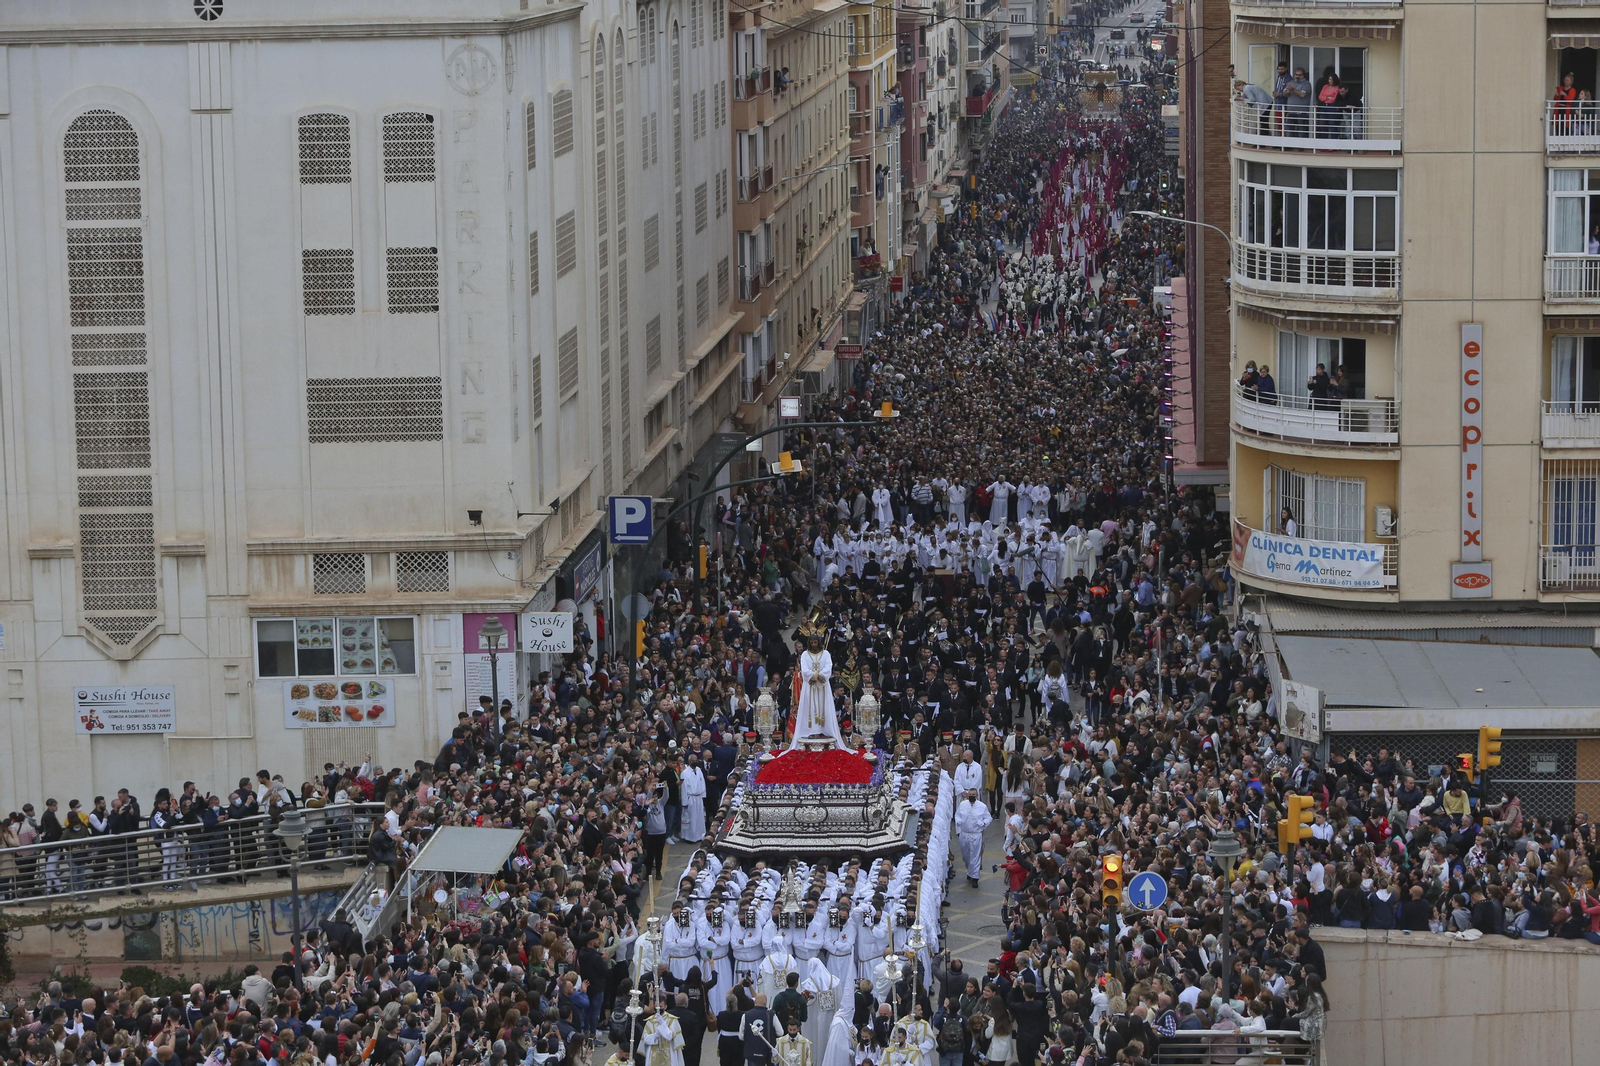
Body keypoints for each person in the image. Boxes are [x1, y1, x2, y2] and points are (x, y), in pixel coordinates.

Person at [792, 625, 845, 749]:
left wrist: (822, 676)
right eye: (812, 642)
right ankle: (810, 731)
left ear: (819, 642)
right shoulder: (805, 654)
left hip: (822, 686)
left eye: (815, 642)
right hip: (810, 686)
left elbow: (828, 666)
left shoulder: (825, 653)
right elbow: (804, 669)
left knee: (823, 707)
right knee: (809, 709)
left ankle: (824, 730)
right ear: (809, 643)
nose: (814, 644)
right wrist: (815, 676)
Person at [955, 789, 992, 886]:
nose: (971, 796)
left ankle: (975, 877)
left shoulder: (982, 807)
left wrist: (983, 823)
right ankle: (970, 871)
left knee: (975, 856)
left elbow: (988, 818)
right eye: (970, 794)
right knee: (966, 855)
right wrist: (958, 821)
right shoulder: (963, 805)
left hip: (976, 834)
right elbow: (957, 815)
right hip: (964, 833)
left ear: (977, 795)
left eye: (973, 795)